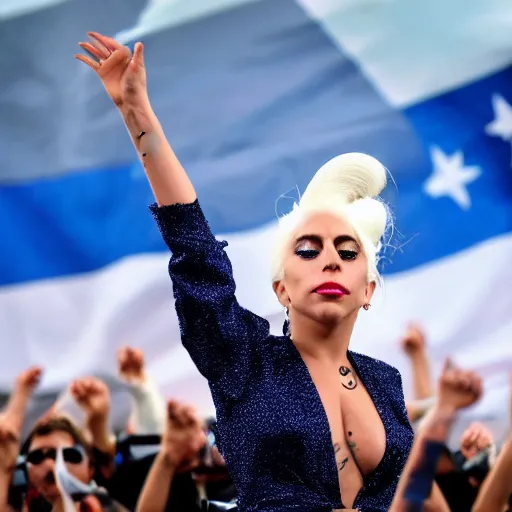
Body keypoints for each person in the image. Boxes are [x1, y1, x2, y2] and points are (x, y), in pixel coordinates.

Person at [75, 32, 415, 511]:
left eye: (347, 250)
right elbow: (195, 247)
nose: (330, 260)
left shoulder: (386, 382)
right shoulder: (243, 358)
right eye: (308, 250)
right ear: (281, 289)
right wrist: (138, 116)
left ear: (369, 289)